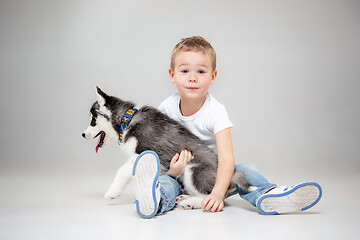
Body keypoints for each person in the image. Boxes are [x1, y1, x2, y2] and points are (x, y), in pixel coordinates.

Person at [132, 36, 322, 219]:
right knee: (166, 182)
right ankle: (155, 200)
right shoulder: (166, 108)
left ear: (213, 76)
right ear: (171, 75)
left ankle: (268, 195)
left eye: (201, 71)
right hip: (178, 173)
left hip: (211, 175)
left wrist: (217, 193)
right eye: (184, 71)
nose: (192, 78)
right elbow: (157, 151)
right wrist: (172, 172)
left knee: (245, 170)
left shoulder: (216, 111)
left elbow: (225, 158)